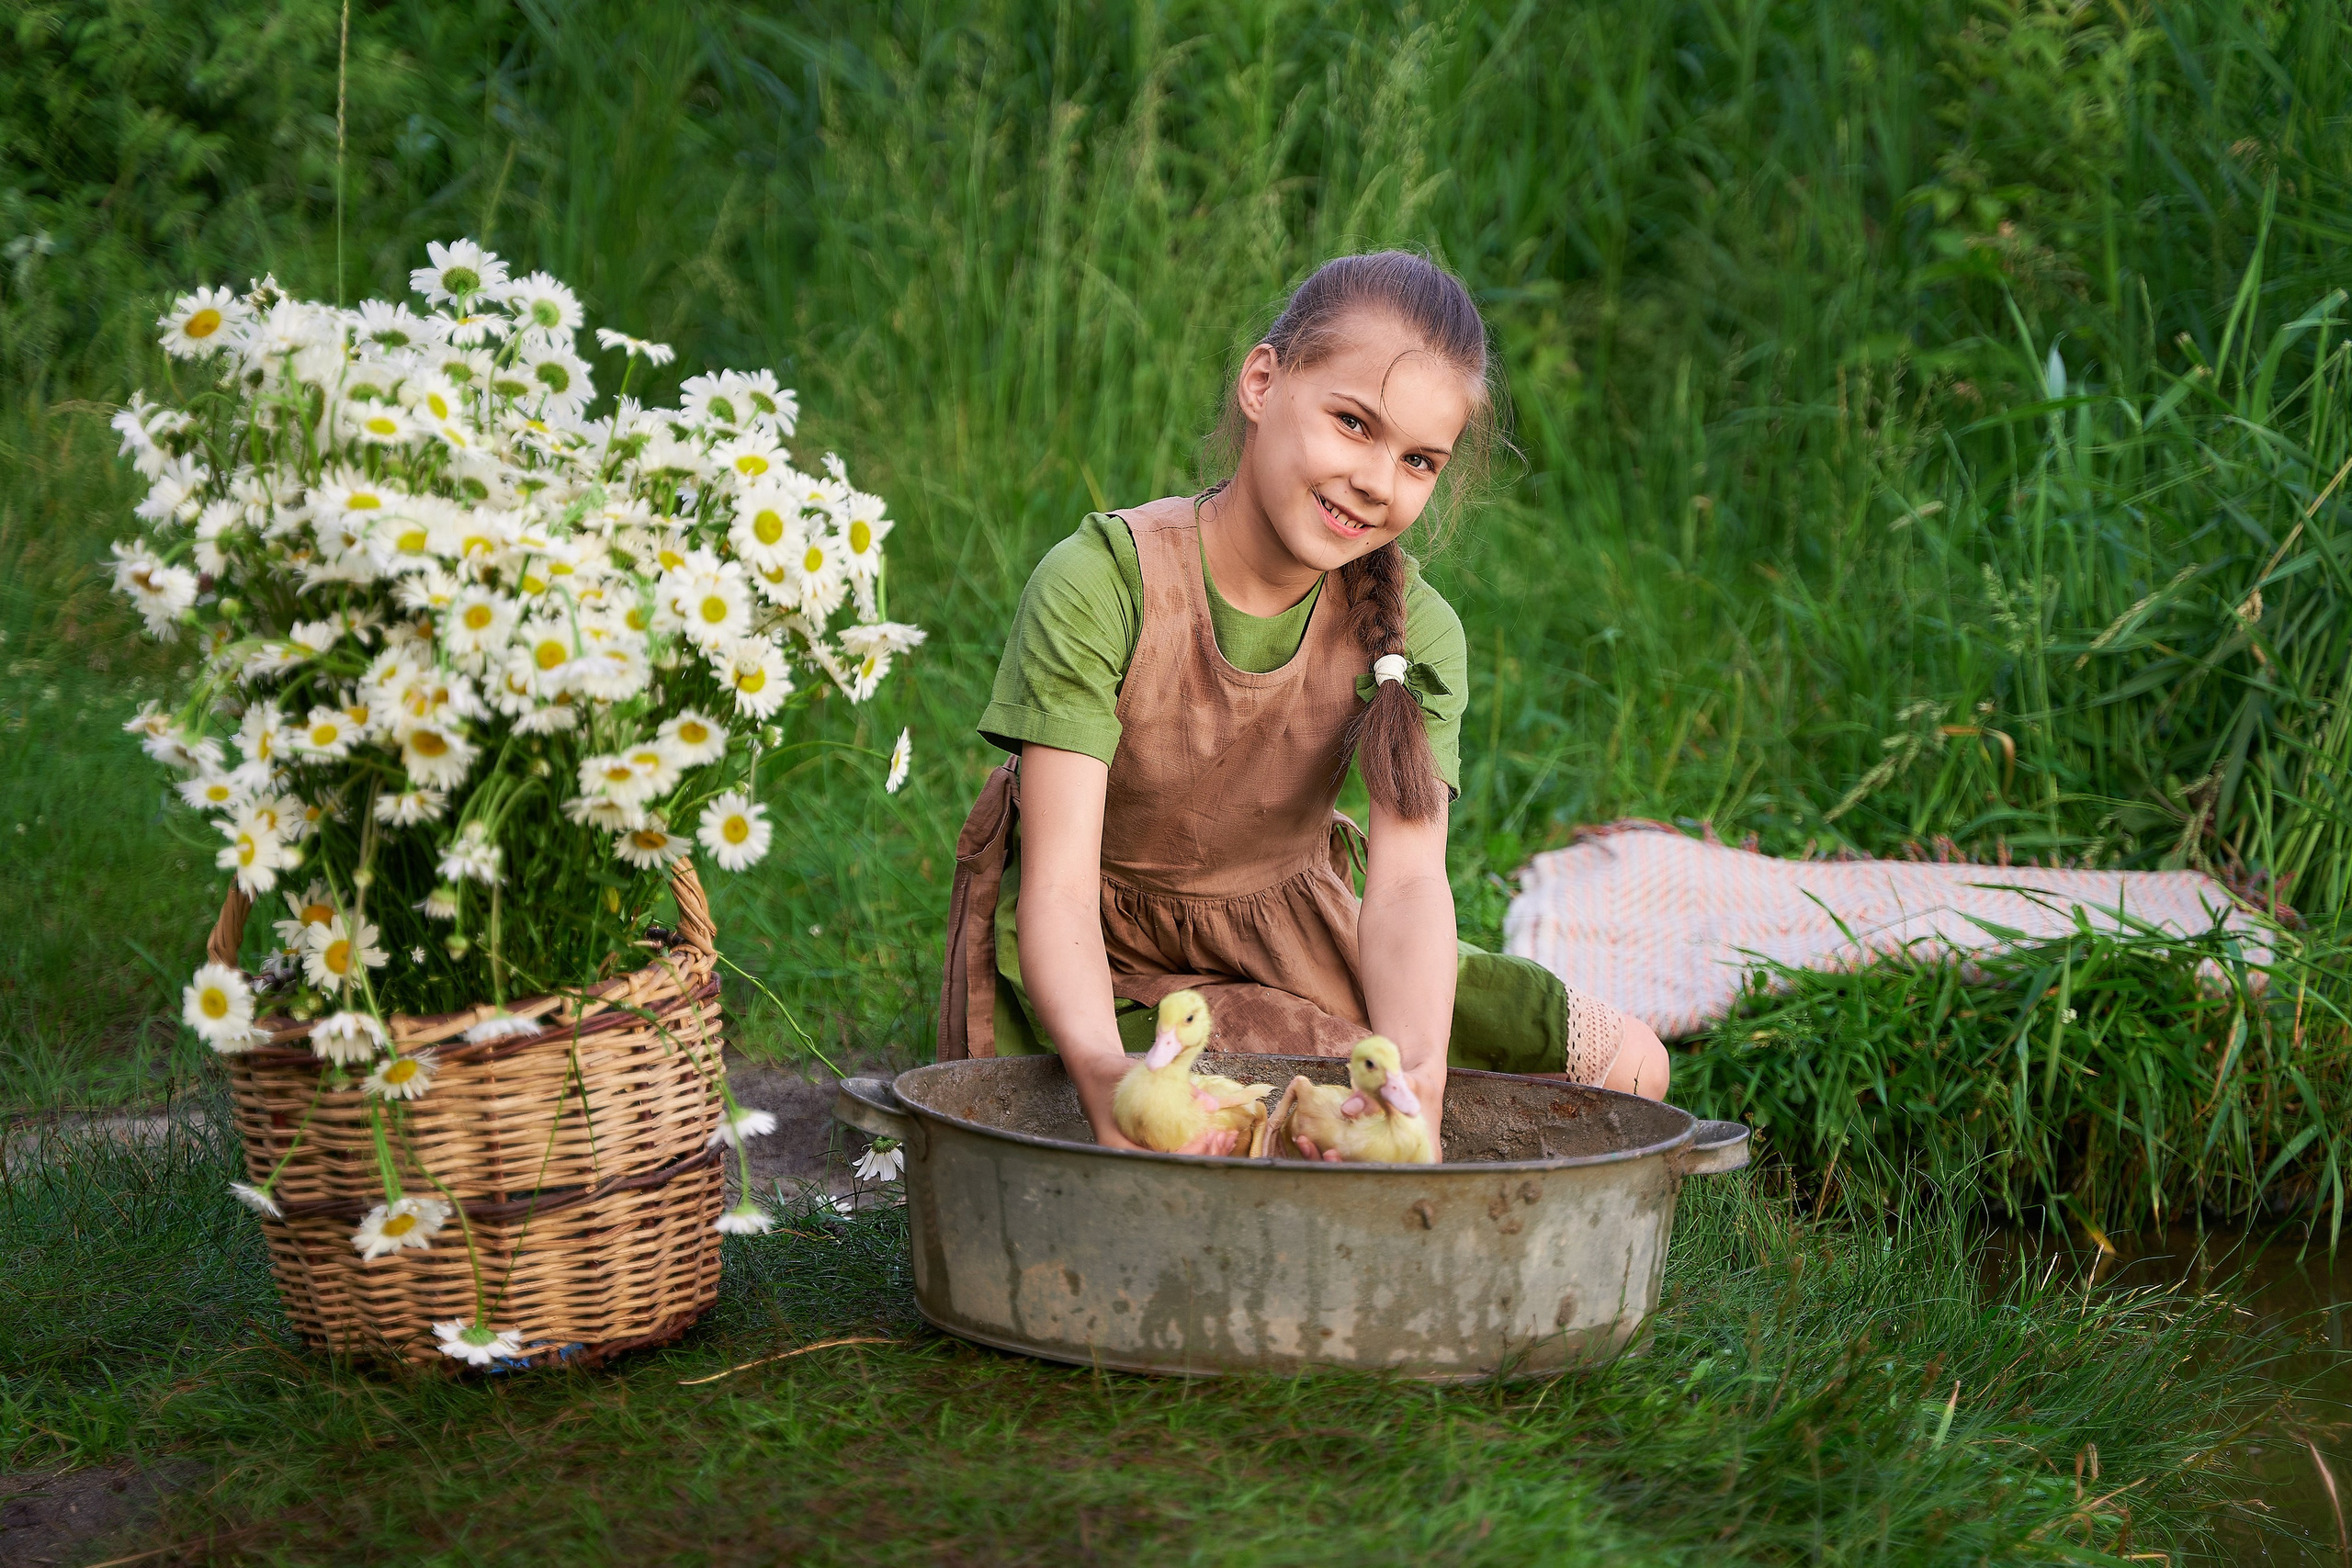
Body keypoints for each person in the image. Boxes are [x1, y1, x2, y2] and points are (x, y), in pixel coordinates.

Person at [938, 251, 1669, 1156]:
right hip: (1105, 961)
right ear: (1261, 382)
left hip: (1299, 933)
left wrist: (1420, 1090)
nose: (1376, 480)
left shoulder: (1416, 636)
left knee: (1628, 1066)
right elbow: (1054, 883)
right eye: (1352, 423)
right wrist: (1104, 1079)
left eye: (1417, 459)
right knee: (1209, 1118)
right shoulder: (1103, 583)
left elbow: (1404, 887)